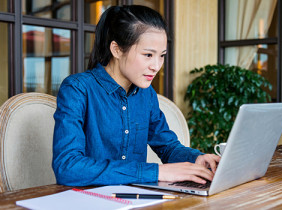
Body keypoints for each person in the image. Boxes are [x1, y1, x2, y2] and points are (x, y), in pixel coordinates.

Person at [52, 5, 220, 187]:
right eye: (148, 55)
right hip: (87, 200)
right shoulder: (77, 88)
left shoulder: (146, 94)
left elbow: (168, 147)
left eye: (161, 56)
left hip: (138, 199)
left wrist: (197, 158)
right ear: (116, 50)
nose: (156, 66)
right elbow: (67, 167)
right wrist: (157, 172)